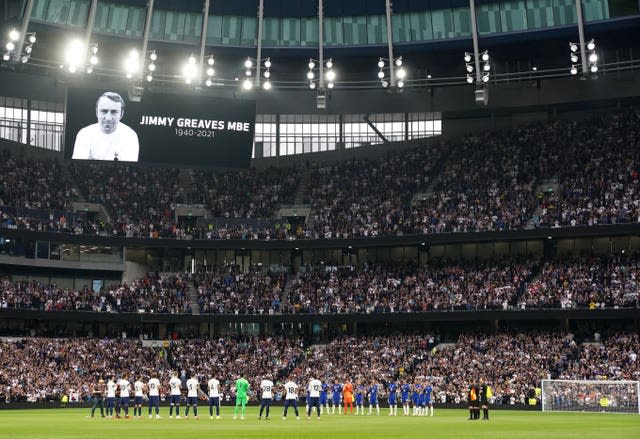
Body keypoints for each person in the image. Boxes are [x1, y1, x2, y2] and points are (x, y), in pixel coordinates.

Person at [72, 91, 139, 162]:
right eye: (104, 111)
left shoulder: (130, 136)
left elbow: (128, 168)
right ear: (97, 112)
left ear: (121, 114)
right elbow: (79, 166)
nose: (108, 118)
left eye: (114, 112)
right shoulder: (84, 134)